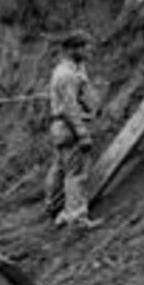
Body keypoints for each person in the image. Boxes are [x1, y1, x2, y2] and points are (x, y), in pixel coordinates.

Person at [47, 31, 101, 228]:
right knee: (76, 174)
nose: (89, 51)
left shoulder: (70, 70)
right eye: (85, 47)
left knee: (60, 168)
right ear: (73, 49)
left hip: (60, 128)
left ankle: (55, 206)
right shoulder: (67, 75)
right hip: (69, 127)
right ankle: (76, 218)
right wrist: (82, 133)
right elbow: (70, 108)